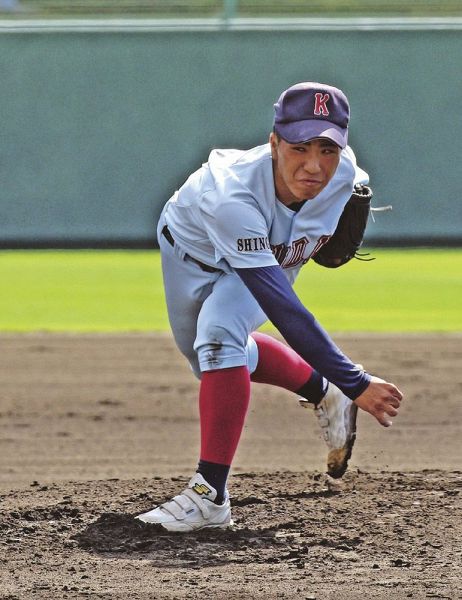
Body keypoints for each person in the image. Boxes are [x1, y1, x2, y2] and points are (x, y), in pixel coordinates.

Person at [136, 82, 403, 532]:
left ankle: (209, 495)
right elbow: (284, 309)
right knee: (210, 360)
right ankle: (325, 390)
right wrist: (352, 380)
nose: (315, 165)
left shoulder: (345, 174)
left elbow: (315, 244)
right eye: (299, 147)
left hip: (271, 255)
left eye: (328, 148)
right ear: (274, 142)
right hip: (193, 256)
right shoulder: (230, 197)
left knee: (220, 338)